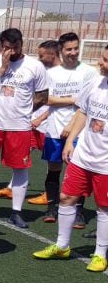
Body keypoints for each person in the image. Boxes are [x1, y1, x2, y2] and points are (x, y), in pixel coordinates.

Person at [33, 46, 108, 272]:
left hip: (105, 163)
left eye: (105, 60)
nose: (100, 63)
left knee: (104, 207)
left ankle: (100, 254)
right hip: (83, 155)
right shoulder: (95, 83)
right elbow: (83, 112)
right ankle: (62, 246)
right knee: (66, 197)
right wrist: (70, 141)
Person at [29, 33, 99, 221]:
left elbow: (86, 104)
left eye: (76, 48)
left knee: (78, 170)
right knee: (53, 169)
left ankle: (78, 212)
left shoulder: (88, 72)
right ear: (61, 50)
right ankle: (52, 208)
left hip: (78, 130)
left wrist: (71, 123)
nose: (73, 52)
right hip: (53, 129)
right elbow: (45, 98)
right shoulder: (51, 74)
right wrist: (70, 99)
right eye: (69, 49)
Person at [0, 28, 48, 228]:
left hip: (19, 126)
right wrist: (2, 68)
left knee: (20, 168)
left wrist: (26, 111)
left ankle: (16, 212)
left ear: (22, 45)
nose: (11, 52)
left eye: (15, 47)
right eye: (6, 48)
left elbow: (42, 95)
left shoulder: (34, 66)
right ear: (0, 46)